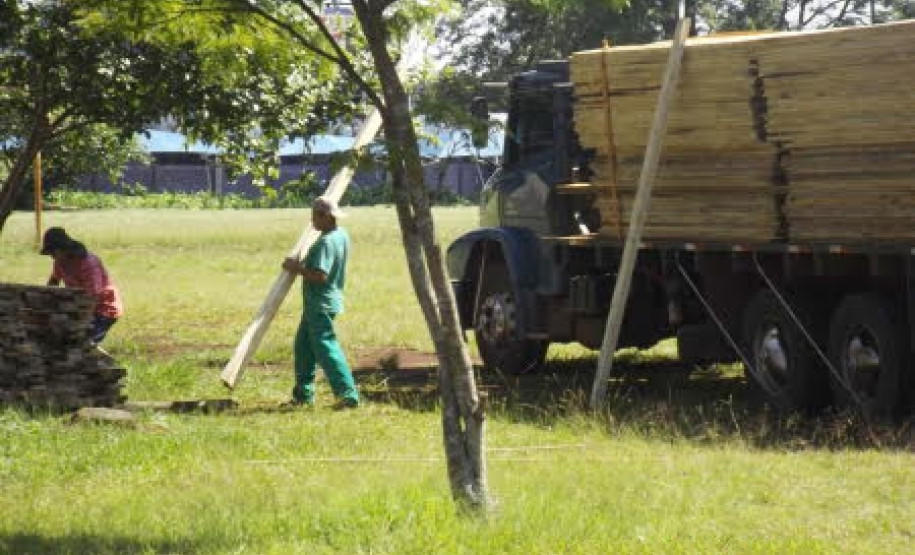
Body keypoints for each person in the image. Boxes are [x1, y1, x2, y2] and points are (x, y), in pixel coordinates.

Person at [281, 196, 360, 409]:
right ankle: (303, 396)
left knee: (326, 348)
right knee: (303, 348)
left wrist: (295, 268)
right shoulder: (340, 235)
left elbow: (320, 275)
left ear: (325, 217)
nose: (312, 221)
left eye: (314, 217)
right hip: (320, 302)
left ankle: (347, 394)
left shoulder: (326, 242)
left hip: (320, 303)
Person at [41, 227, 124, 345]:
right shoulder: (60, 262)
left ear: (62, 249)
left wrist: (79, 321)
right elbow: (53, 282)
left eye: (53, 253)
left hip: (104, 309)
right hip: (81, 306)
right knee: (66, 339)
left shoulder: (89, 263)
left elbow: (94, 296)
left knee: (84, 344)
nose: (52, 257)